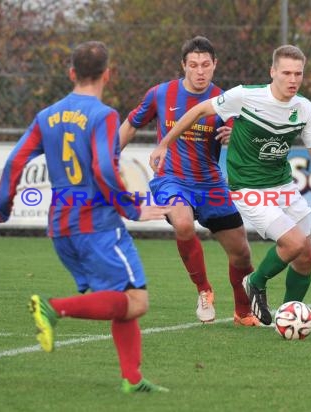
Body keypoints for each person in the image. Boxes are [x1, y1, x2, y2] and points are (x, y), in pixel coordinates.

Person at [0, 41, 170, 393]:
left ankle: (132, 379)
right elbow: (103, 169)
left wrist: (2, 211)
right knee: (137, 300)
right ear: (107, 75)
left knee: (123, 300)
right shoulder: (104, 115)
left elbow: (14, 162)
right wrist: (133, 209)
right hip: (97, 225)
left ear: (71, 74)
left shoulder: (46, 115)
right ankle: (53, 309)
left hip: (61, 227)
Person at [149, 44, 311, 326]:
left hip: (283, 185)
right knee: (294, 243)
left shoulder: (306, 109)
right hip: (249, 189)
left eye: (298, 73)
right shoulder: (245, 96)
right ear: (272, 72)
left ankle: (287, 318)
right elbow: (199, 111)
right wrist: (165, 143)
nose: (293, 79)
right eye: (286, 72)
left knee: (307, 255)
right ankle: (255, 281)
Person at [119, 36, 258, 326]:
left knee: (242, 254)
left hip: (211, 185)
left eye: (206, 65)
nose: (200, 71)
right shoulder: (160, 94)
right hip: (172, 179)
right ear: (183, 66)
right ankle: (204, 290)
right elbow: (132, 124)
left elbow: (243, 135)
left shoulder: (225, 98)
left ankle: (243, 312)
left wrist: (236, 136)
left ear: (215, 65)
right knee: (182, 223)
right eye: (193, 65)